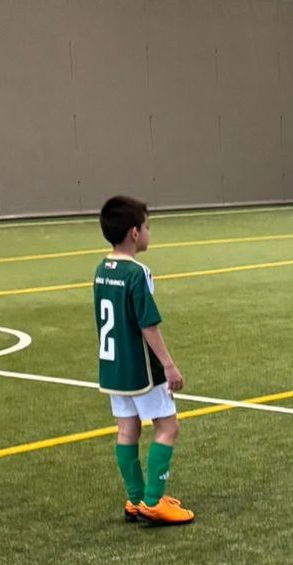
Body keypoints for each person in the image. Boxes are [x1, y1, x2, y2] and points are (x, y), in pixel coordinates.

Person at [93, 195, 194, 525]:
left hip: (112, 366)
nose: (150, 232)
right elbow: (146, 323)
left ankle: (136, 499)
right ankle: (153, 502)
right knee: (167, 427)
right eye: (148, 226)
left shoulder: (101, 269)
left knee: (127, 429)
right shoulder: (137, 272)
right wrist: (168, 364)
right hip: (141, 368)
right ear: (134, 233)